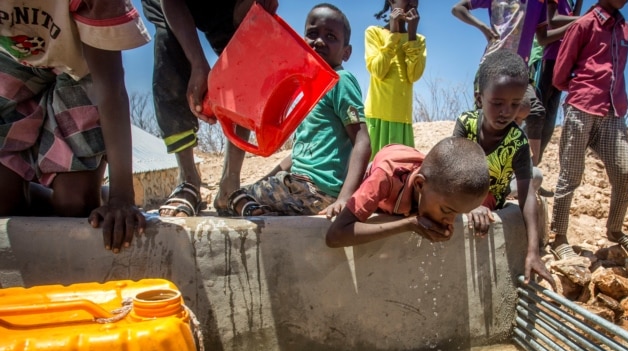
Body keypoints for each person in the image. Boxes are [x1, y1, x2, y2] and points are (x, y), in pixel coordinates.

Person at [0, 1, 150, 253]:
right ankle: (29, 186)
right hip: (14, 61)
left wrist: (121, 197)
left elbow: (109, 87)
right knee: (3, 199)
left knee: (74, 205)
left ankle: (92, 191)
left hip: (80, 67)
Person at [227, 3, 371, 218]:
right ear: (302, 41)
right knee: (245, 194)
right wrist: (264, 180)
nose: (320, 41)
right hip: (300, 187)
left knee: (230, 199)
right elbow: (298, 154)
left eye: (331, 36)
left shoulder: (340, 80)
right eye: (312, 34)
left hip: (316, 190)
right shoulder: (309, 89)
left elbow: (362, 140)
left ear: (346, 52)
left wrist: (345, 198)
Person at [141, 0, 279, 217]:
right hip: (169, 4)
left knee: (246, 62)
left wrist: (251, 19)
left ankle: (229, 186)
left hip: (223, 7)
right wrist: (197, 63)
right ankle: (188, 179)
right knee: (169, 43)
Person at [452, 49, 554, 287]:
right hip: (463, 191)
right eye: (497, 103)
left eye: (515, 104)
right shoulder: (465, 124)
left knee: (531, 178)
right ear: (479, 99)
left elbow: (527, 194)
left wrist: (533, 251)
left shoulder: (517, 141)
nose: (506, 111)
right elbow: (452, 171)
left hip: (493, 196)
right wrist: (471, 205)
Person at [550, 0, 628, 258]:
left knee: (625, 170)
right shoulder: (584, 25)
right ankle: (559, 237)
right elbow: (559, 75)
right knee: (571, 174)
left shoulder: (624, 28)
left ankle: (614, 230)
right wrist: (584, 91)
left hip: (613, 111)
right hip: (582, 109)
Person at [325, 137, 489, 247]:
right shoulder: (385, 178)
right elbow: (335, 235)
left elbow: (455, 193)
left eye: (458, 213)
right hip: (373, 184)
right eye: (447, 211)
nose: (450, 222)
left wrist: (471, 208)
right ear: (419, 184)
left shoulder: (440, 187)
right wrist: (408, 224)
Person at [451, 0, 547, 167]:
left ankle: (529, 169)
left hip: (519, 73)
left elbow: (543, 37)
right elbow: (457, 8)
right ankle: (475, 169)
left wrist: (576, 22)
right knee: (484, 122)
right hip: (492, 67)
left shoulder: (538, 3)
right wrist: (483, 27)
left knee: (535, 111)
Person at [364, 0, 426, 158]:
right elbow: (377, 70)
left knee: (398, 174)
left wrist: (411, 35)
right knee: (371, 171)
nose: (413, 3)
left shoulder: (418, 40)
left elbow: (414, 76)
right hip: (376, 118)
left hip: (401, 121)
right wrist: (393, 34)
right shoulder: (374, 33)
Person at [537, 0, 583, 162]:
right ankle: (517, 170)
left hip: (565, 63)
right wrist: (582, 20)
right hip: (549, 61)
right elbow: (552, 22)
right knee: (536, 117)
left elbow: (575, 20)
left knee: (549, 125)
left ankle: (532, 169)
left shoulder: (570, 3)